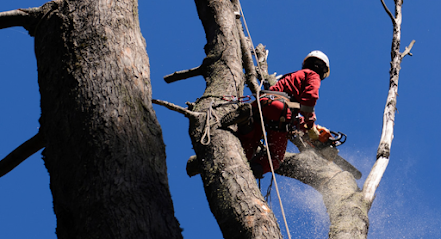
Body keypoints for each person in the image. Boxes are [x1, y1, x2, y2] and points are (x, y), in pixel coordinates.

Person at [221, 50, 330, 178]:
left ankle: (246, 123)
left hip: (261, 104)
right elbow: (309, 99)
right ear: (322, 71)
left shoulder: (290, 77)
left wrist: (304, 126)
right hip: (280, 110)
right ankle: (250, 173)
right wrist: (311, 125)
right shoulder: (313, 76)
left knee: (247, 145)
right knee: (275, 159)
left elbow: (293, 114)